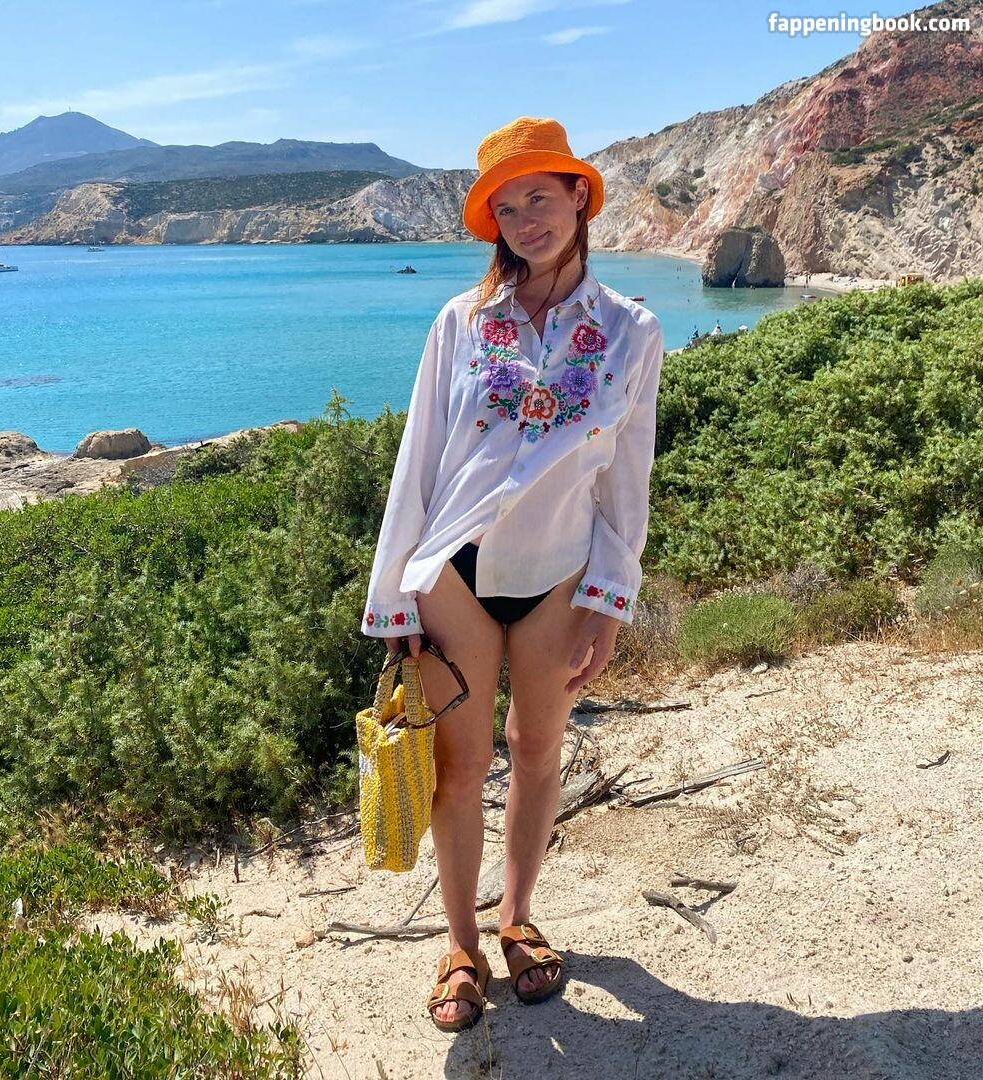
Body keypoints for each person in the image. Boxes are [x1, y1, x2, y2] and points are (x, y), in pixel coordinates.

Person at [360, 116, 665, 1032]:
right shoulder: (461, 320)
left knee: (536, 750)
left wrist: (609, 603)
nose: (526, 219)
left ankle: (517, 918)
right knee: (459, 767)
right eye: (507, 206)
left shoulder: (631, 331)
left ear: (580, 197)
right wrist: (393, 598)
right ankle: (460, 944)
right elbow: (417, 460)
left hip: (559, 573)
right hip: (451, 571)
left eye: (541, 196)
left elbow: (627, 477)